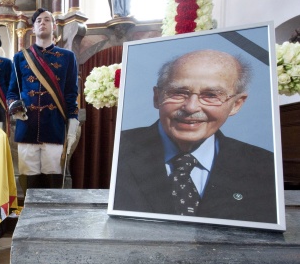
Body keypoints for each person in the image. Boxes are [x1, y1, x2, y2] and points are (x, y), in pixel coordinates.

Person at [113, 49, 277, 223]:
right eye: (178, 92)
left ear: (236, 104)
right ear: (157, 97)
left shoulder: (265, 168)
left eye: (211, 95)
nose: (191, 107)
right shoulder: (113, 151)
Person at [6, 8, 80, 190]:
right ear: (33, 28)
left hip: (54, 127)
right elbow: (12, 92)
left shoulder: (67, 57)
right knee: (28, 183)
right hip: (27, 127)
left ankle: (53, 219)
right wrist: (14, 105)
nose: (42, 23)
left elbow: (71, 93)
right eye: (38, 20)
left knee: (52, 183)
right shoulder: (19, 57)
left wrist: (72, 123)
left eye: (47, 20)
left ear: (54, 27)